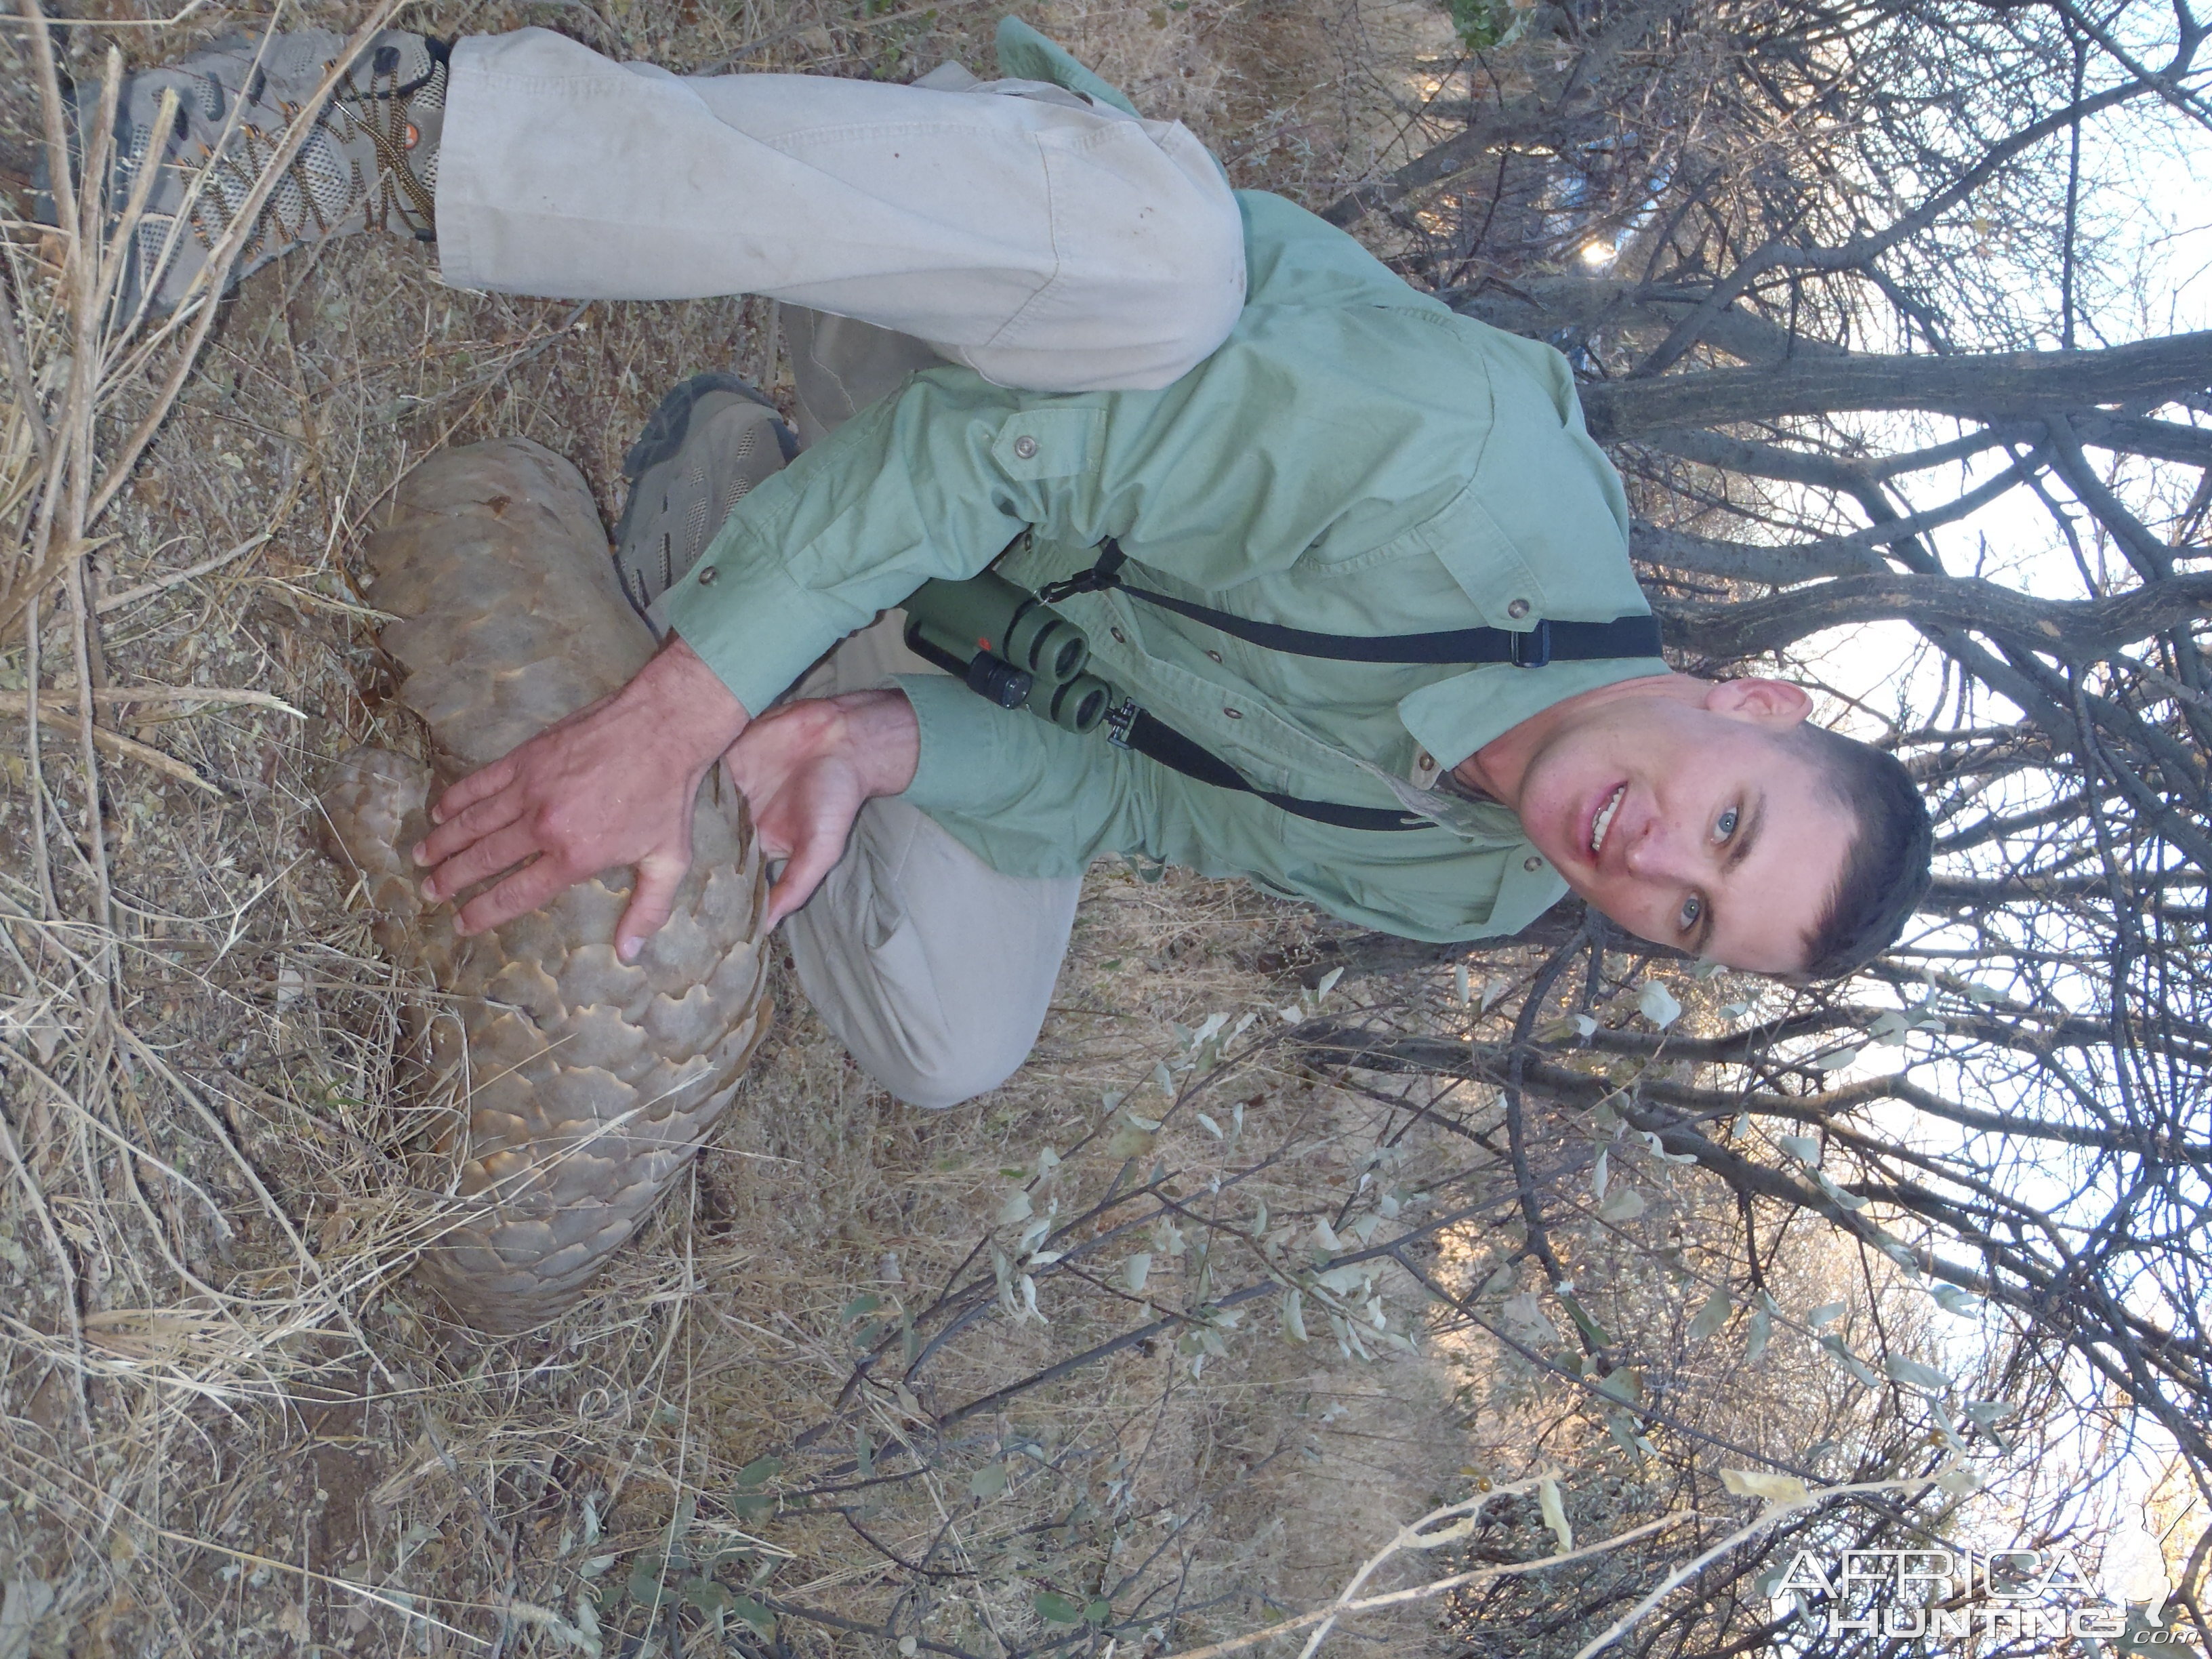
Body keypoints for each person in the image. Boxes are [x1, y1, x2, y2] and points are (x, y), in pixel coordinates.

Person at [73, 19, 1933, 1107]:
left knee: (950, 1037)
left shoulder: (1464, 892)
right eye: (1730, 830)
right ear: (1745, 703)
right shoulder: (1472, 479)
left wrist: (890, 746)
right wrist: (691, 705)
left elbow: (1137, 801)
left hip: (965, 597)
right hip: (972, 314)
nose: (1652, 866)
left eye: (1693, 921)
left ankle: (726, 501)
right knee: (1163, 260)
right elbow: (1008, 442)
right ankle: (397, 133)